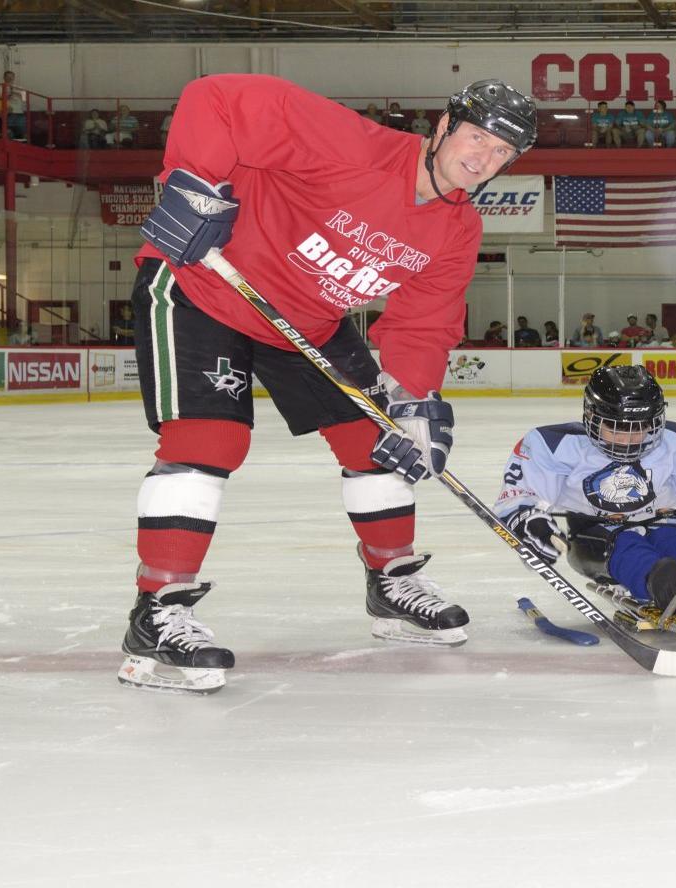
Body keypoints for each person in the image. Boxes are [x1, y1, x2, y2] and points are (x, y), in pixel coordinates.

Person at [121, 74, 538, 693]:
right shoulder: (353, 147)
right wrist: (201, 186)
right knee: (208, 443)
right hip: (205, 287)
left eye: (501, 152)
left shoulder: (457, 229)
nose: (482, 158)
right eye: (476, 137)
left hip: (307, 321)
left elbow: (423, 324)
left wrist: (414, 403)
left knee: (381, 439)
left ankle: (392, 581)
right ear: (444, 127)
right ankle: (158, 614)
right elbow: (217, 98)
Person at [493, 366, 676, 616]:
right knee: (628, 545)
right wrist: (533, 525)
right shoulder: (553, 444)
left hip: (663, 525)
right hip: (596, 539)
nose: (628, 440)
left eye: (640, 428)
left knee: (674, 538)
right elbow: (519, 497)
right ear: (591, 418)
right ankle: (655, 582)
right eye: (615, 428)